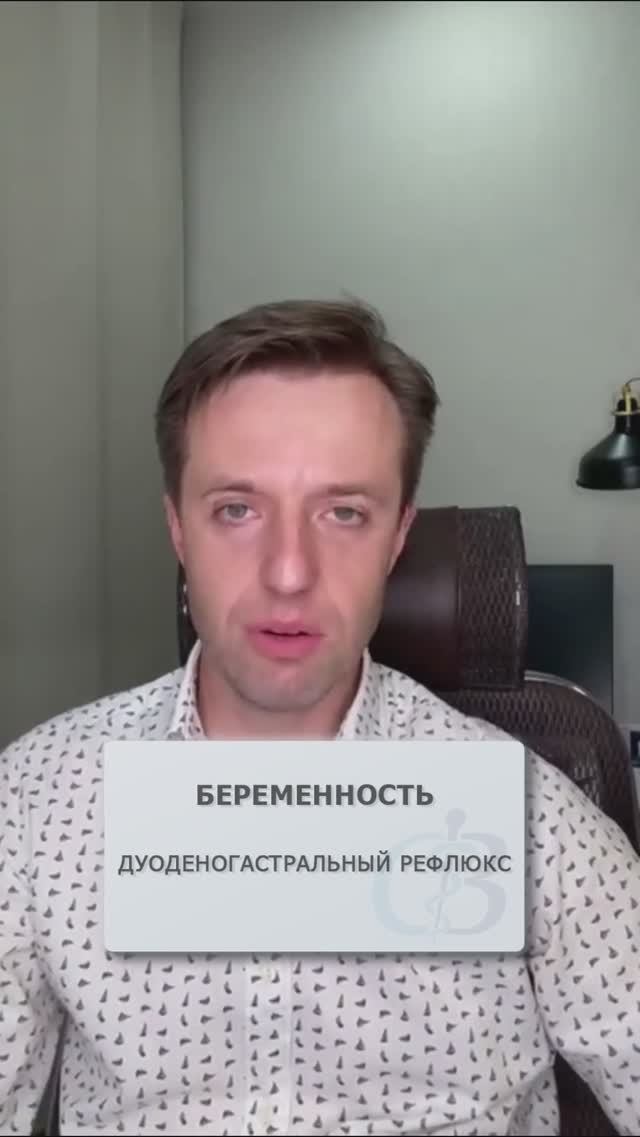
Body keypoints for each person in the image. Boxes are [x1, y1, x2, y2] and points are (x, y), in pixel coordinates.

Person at [0, 299, 638, 1137]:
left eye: (344, 512)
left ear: (398, 537)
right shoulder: (36, 800)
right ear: (178, 529)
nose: (289, 572)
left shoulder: (535, 819)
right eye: (237, 508)